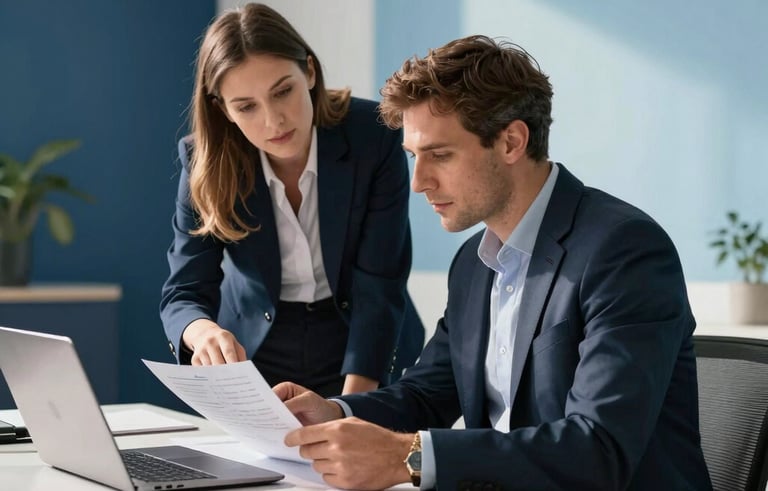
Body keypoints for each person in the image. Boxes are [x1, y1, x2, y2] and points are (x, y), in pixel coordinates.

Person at [275, 35, 713, 490]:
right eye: (413, 157)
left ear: (511, 142)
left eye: (440, 155)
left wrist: (410, 456)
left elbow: (597, 448)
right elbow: (428, 393)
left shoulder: (623, 251)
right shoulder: (474, 263)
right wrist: (336, 412)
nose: (419, 182)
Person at [160, 3, 424, 398]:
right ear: (222, 109)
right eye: (246, 106)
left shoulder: (374, 137)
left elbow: (379, 283)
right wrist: (205, 334)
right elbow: (184, 291)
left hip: (361, 338)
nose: (273, 120)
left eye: (283, 91)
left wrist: (355, 407)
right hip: (254, 349)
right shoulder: (204, 161)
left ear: (310, 73)